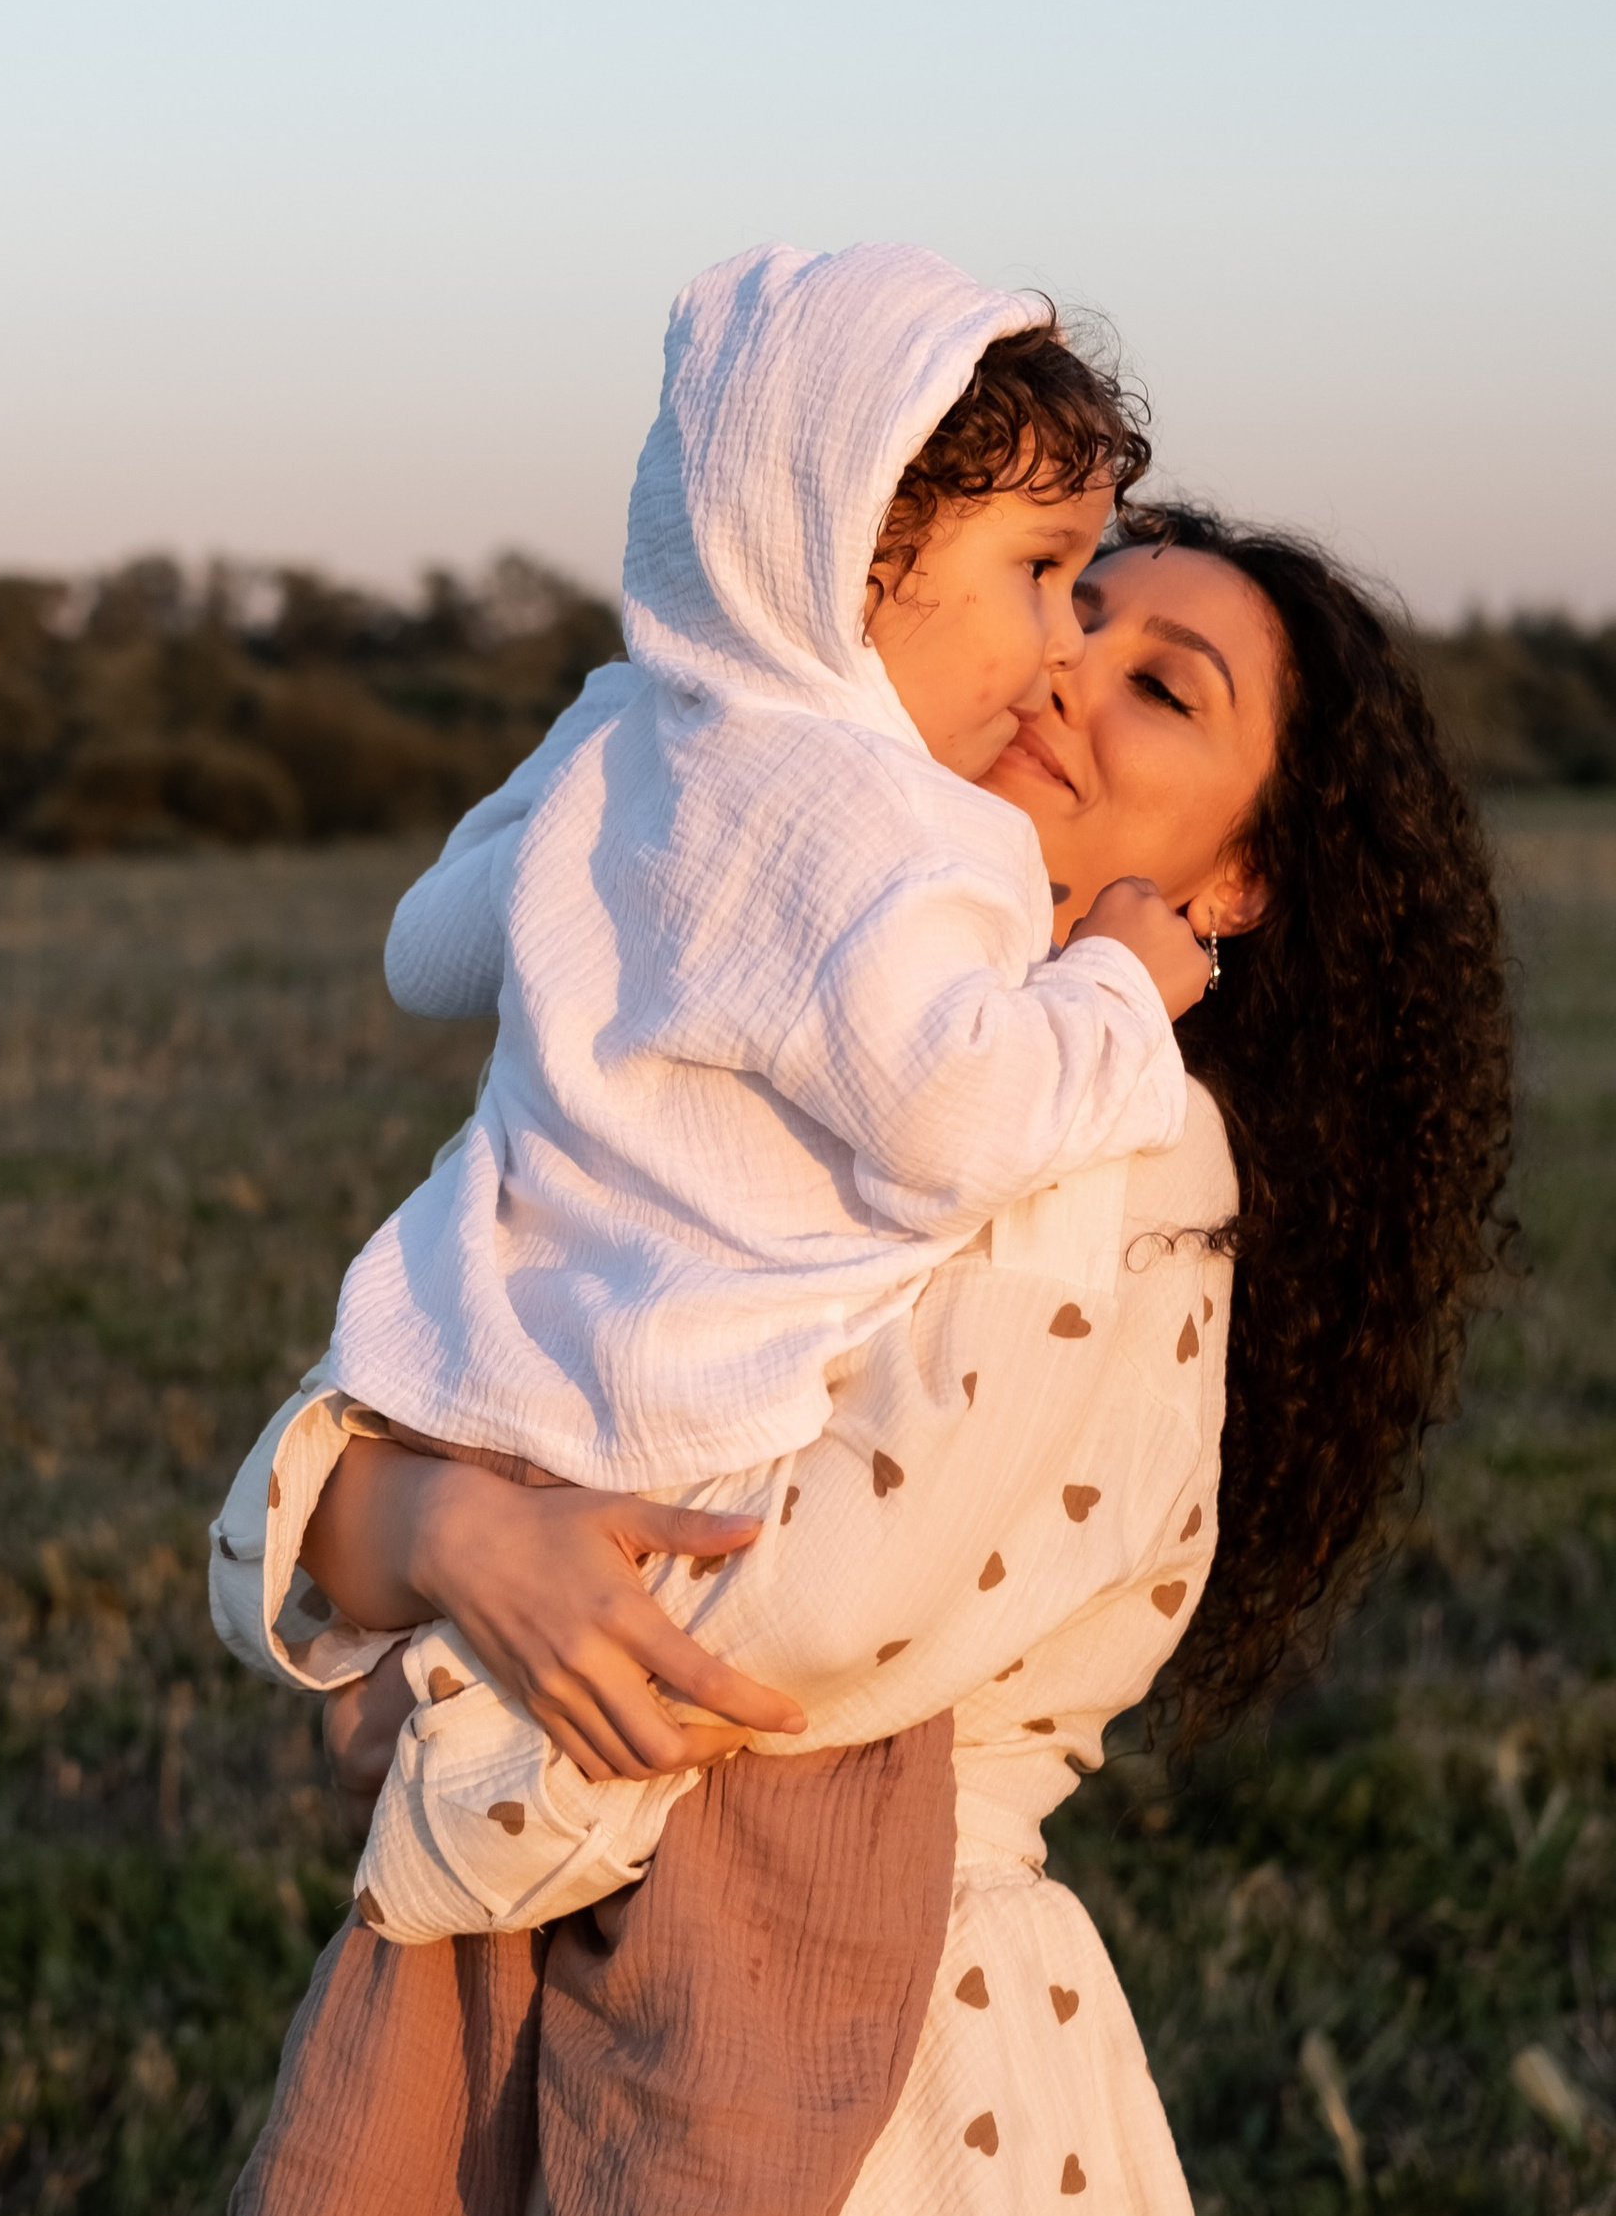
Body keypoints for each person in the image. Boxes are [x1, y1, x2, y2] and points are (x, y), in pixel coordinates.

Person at [161, 509, 1511, 2216]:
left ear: (1235, 876)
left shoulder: (1130, 1163)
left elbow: (813, 1609)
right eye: (1067, 604)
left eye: (1160, 684)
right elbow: (311, 1471)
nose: (1066, 668)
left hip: (877, 2062)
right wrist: (451, 1532)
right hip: (563, 1986)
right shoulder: (724, 1066)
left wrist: (441, 1674)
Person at [326, 239, 1195, 1941]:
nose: (1056, 647)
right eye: (1039, 569)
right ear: (851, 543)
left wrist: (607, 732)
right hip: (702, 1441)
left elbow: (430, 952)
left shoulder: (633, 744)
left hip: (492, 1377)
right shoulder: (888, 825)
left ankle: (421, 1734)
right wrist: (1120, 991)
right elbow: (958, 1115)